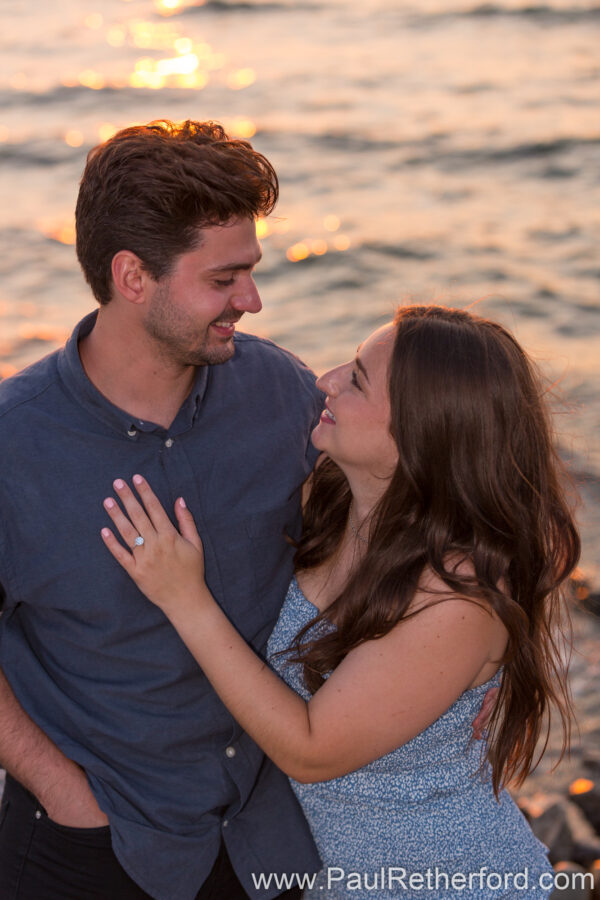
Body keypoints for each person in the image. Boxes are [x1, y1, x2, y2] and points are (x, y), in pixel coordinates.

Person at [101, 305, 580, 899]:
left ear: (418, 432)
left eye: (356, 378)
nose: (325, 379)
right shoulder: (336, 499)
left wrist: (184, 598)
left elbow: (310, 750)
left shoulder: (457, 600)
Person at [0, 120, 324, 899]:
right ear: (132, 276)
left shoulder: (283, 393)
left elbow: (393, 532)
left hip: (271, 839)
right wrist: (62, 790)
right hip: (91, 848)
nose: (251, 299)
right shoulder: (12, 444)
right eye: (223, 279)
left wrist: (471, 670)